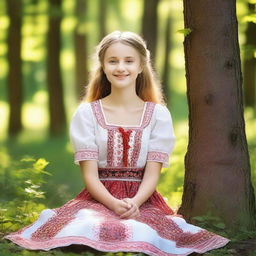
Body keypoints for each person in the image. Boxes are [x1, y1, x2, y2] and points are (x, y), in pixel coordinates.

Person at [5, 31, 230, 255]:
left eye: (129, 61)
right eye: (113, 61)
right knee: (86, 225)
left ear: (141, 66)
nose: (120, 67)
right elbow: (90, 176)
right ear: (103, 66)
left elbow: (153, 173)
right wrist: (113, 204)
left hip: (143, 200)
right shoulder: (87, 113)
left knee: (142, 231)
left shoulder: (158, 115)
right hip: (98, 198)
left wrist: (134, 203)